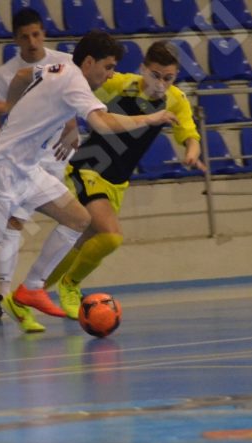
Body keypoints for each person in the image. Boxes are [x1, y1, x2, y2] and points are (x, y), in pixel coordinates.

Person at [0, 30, 178, 346]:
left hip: (26, 170)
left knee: (79, 219)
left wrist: (18, 112)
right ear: (89, 61)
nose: (110, 74)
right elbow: (103, 124)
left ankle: (32, 288)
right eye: (108, 66)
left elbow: (22, 75)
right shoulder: (75, 82)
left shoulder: (59, 68)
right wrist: (150, 119)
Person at [45, 40, 205, 319]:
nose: (161, 84)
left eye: (168, 78)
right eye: (155, 75)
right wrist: (69, 123)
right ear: (143, 69)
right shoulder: (120, 84)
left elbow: (189, 134)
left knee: (85, 239)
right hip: (88, 168)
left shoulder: (176, 100)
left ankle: (28, 293)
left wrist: (191, 151)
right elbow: (76, 89)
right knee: (111, 236)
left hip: (116, 182)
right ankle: (70, 285)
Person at [0, 7, 75, 322]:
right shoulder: (6, 74)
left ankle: (35, 287)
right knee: (14, 223)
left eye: (36, 34)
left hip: (57, 157)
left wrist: (73, 128)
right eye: (25, 37)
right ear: (15, 40)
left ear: (44, 33)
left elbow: (74, 98)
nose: (32, 42)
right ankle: (6, 294)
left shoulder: (63, 62)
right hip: (22, 162)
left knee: (78, 221)